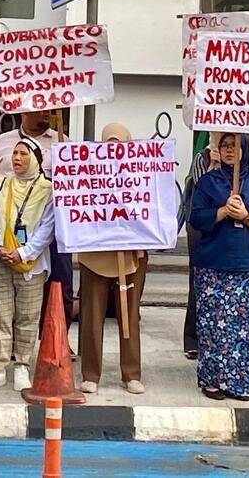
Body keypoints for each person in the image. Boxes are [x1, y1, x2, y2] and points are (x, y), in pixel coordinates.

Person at [190, 133, 249, 401]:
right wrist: (223, 212)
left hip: (246, 263)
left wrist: (246, 216)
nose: (229, 150)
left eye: (235, 146)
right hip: (213, 263)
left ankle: (241, 382)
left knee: (244, 328)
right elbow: (196, 217)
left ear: (244, 151)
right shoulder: (208, 182)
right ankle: (212, 380)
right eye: (225, 146)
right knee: (213, 326)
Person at [0, 110, 72, 336]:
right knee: (7, 297)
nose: (47, 113)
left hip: (52, 232)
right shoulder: (2, 142)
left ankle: (56, 343)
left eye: (50, 109)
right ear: (25, 111)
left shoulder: (62, 142)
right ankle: (10, 347)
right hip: (7, 234)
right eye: (41, 109)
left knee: (59, 287)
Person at [0, 137, 54, 392]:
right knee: (0, 314)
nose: (17, 158)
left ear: (35, 159)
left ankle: (22, 364)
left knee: (27, 316)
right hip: (1, 258)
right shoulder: (2, 184)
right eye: (15, 153)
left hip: (32, 262)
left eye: (23, 154)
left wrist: (23, 253)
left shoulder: (48, 190)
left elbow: (47, 229)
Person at [78, 123, 147, 395]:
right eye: (109, 145)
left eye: (120, 145)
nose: (114, 150)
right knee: (91, 317)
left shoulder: (141, 174)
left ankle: (131, 374)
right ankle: (90, 374)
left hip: (130, 254)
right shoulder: (88, 174)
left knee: (130, 315)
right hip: (95, 255)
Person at [182, 137, 220, 360]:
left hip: (228, 233)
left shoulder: (241, 157)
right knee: (198, 283)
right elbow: (203, 190)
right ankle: (193, 340)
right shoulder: (202, 158)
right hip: (202, 230)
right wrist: (213, 165)